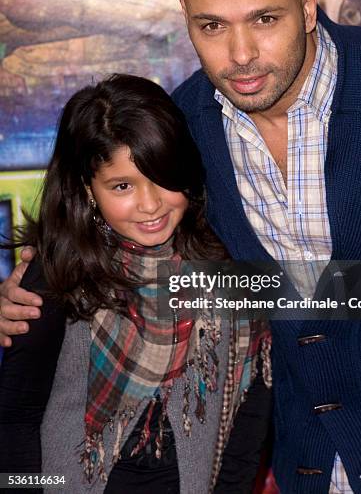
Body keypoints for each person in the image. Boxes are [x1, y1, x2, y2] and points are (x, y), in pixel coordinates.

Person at [1, 0, 361, 493]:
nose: (241, 54)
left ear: (309, 6)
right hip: (311, 463)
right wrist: (31, 293)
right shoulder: (184, 128)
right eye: (212, 26)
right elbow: (118, 244)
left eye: (265, 19)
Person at [0, 74, 272, 494]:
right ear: (88, 189)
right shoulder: (58, 273)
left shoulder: (227, 263)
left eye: (163, 177)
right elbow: (15, 418)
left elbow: (250, 414)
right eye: (122, 185)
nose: (150, 205)